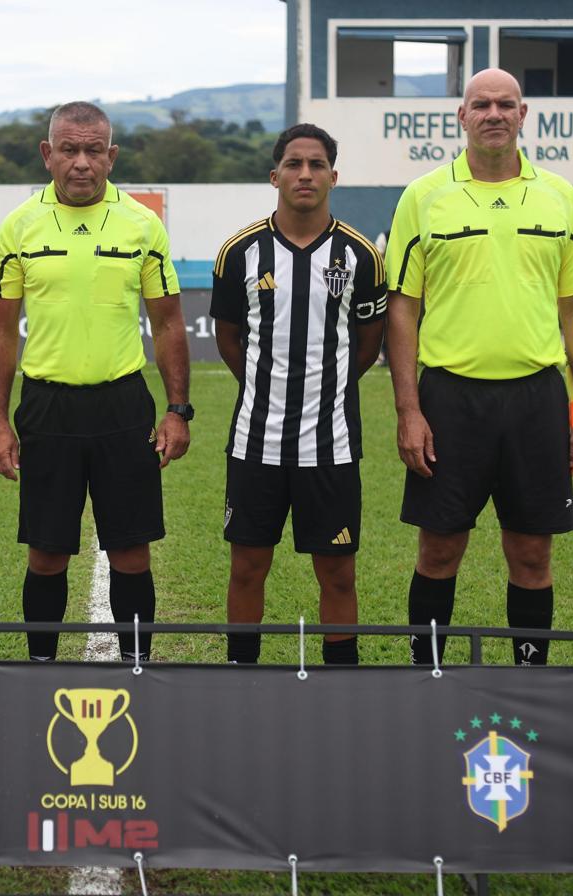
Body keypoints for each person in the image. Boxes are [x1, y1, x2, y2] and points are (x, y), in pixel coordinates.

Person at [384, 68, 573, 667]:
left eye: (506, 104)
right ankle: (426, 674)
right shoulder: (424, 196)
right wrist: (408, 410)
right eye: (480, 104)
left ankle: (529, 683)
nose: (494, 114)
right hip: (449, 401)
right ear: (462, 116)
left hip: (536, 400)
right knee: (439, 550)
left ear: (523, 114)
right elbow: (402, 309)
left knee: (532, 554)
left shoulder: (559, 196)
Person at [0, 101, 192, 664]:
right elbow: (0, 331)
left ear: (111, 156)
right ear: (47, 154)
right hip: (46, 408)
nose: (82, 162)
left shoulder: (142, 224)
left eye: (94, 150)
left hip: (123, 406)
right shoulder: (18, 226)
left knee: (131, 553)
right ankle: (41, 669)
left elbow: (168, 323)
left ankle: (136, 669)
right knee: (46, 554)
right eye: (69, 149)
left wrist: (177, 410)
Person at [211, 124, 386, 666]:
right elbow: (229, 339)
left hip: (331, 445)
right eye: (294, 164)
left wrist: (326, 388)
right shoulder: (239, 252)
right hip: (255, 442)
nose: (305, 174)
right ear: (275, 176)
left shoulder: (360, 255)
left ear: (334, 176)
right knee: (247, 568)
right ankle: (241, 673)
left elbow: (368, 344)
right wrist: (266, 386)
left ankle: (341, 680)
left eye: (316, 164)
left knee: (338, 572)